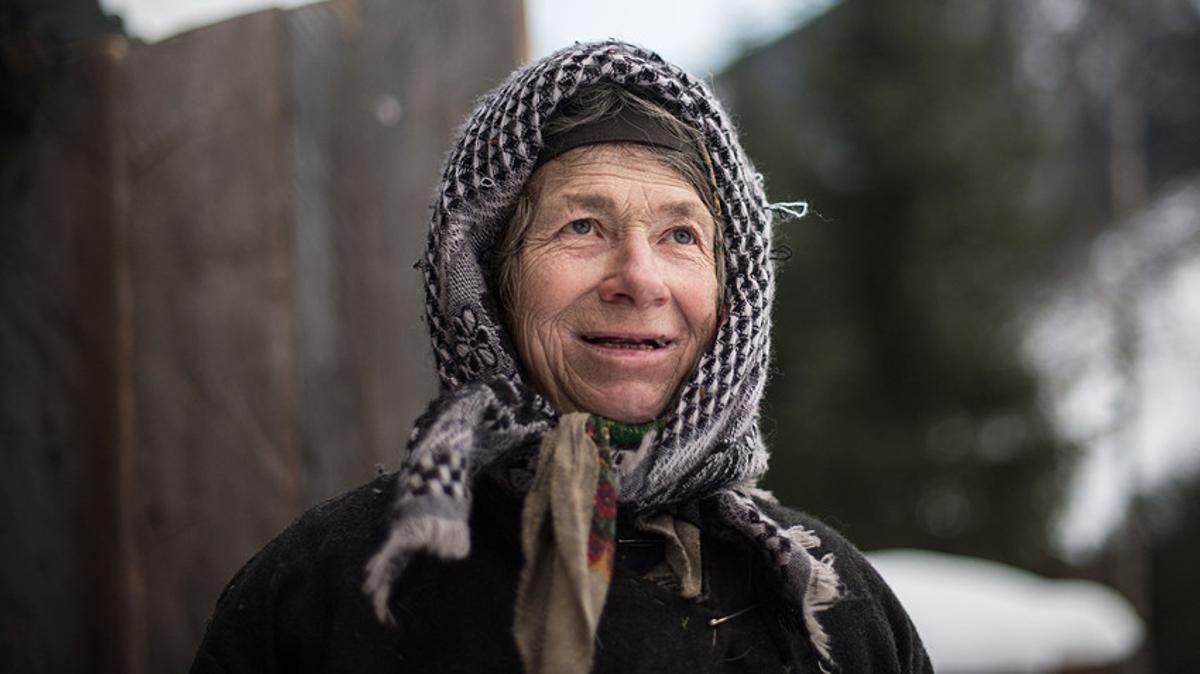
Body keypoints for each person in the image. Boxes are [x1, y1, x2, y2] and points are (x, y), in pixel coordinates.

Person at [190, 40, 931, 674]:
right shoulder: (328, 592)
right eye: (582, 226)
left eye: (681, 236)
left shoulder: (831, 610)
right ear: (487, 279)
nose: (639, 279)